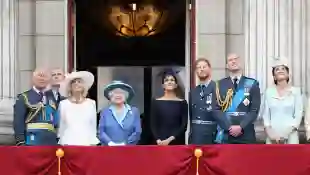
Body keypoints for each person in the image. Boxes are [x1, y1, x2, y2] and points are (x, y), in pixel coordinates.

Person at [215, 53, 261, 144]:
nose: (233, 61)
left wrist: (241, 126)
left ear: (241, 62)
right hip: (226, 132)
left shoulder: (252, 83)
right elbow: (216, 109)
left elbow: (254, 109)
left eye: (236, 59)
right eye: (230, 60)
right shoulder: (219, 84)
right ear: (226, 65)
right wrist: (229, 127)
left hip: (246, 131)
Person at [262, 57, 303, 144]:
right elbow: (266, 115)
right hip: (272, 136)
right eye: (277, 69)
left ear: (288, 74)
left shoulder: (296, 91)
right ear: (274, 76)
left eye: (283, 69)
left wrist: (284, 134)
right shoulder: (268, 92)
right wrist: (271, 134)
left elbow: (298, 115)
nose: (280, 70)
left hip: (291, 135)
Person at [13, 68, 59, 145]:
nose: (42, 78)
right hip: (32, 140)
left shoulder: (52, 98)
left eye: (45, 76)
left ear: (49, 80)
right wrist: (20, 141)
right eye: (39, 75)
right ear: (33, 78)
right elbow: (18, 121)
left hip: (51, 142)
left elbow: (56, 121)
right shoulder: (24, 97)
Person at [189, 58, 230, 144]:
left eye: (204, 66)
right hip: (196, 137)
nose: (201, 69)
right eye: (198, 67)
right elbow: (192, 116)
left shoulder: (219, 88)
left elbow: (225, 112)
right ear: (196, 71)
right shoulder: (193, 92)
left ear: (210, 69)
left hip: (212, 136)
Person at [57, 71, 99, 146]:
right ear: (70, 87)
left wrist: (93, 144)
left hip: (86, 143)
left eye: (79, 82)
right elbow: (61, 127)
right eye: (74, 82)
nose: (76, 84)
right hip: (68, 143)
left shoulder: (91, 103)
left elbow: (93, 126)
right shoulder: (63, 104)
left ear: (84, 86)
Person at [150, 69, 188, 145]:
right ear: (163, 85)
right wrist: (158, 139)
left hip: (177, 142)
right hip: (160, 143)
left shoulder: (182, 103)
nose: (169, 82)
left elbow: (184, 125)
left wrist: (170, 139)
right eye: (166, 80)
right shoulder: (156, 102)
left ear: (176, 85)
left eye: (172, 80)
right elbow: (153, 124)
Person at [98, 80, 141, 146]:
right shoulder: (105, 112)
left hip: (129, 150)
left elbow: (137, 132)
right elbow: (101, 132)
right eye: (115, 93)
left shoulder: (134, 111)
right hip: (108, 150)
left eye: (121, 93)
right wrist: (110, 143)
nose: (118, 95)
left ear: (126, 96)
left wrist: (125, 143)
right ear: (110, 96)